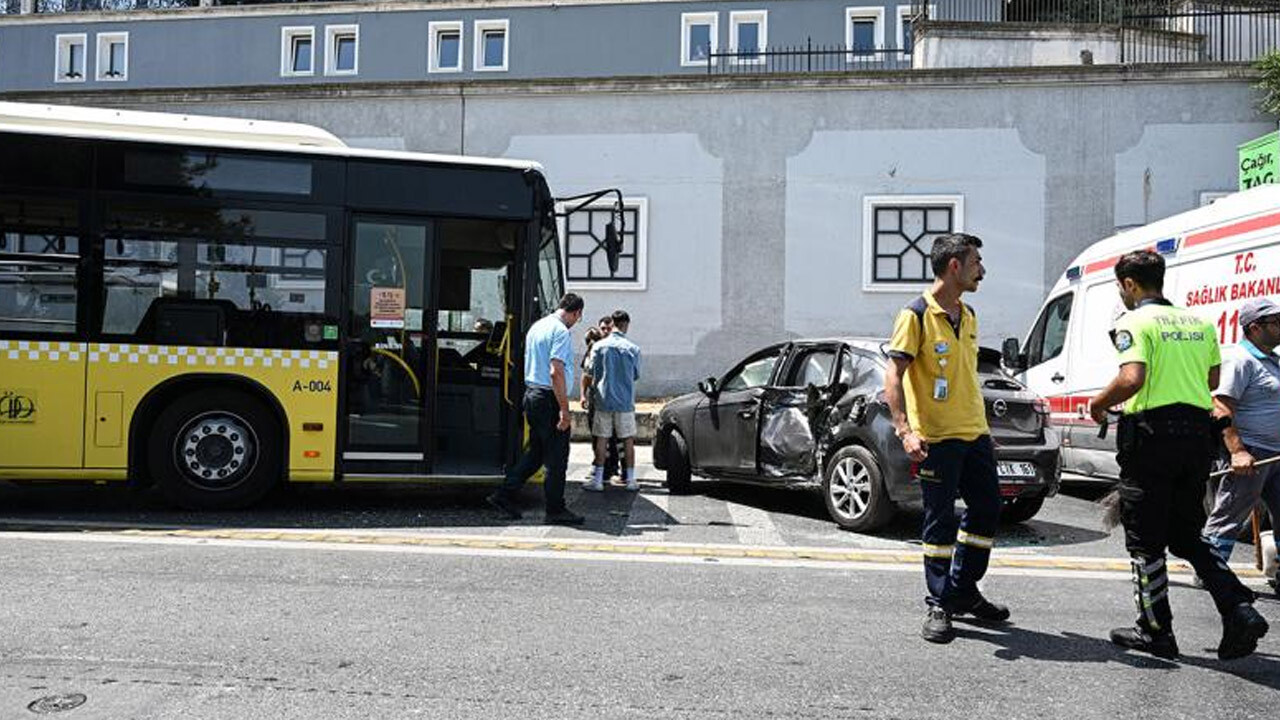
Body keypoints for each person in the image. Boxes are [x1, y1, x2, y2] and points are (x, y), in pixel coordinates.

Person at [1090, 250, 1267, 660]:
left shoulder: (1132, 322)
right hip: (1194, 441)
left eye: (1121, 286)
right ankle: (1237, 607)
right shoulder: (1199, 322)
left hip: (1151, 440)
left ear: (1130, 284)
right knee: (1186, 535)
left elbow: (1132, 377)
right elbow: (1211, 381)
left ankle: (1156, 633)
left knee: (1145, 540)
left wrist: (1099, 404)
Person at [884, 233, 1009, 645]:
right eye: (976, 263)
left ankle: (964, 589)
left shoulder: (969, 314)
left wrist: (985, 431)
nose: (982, 271)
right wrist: (905, 429)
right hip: (936, 438)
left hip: (974, 434)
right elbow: (894, 376)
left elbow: (964, 380)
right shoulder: (916, 314)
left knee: (987, 509)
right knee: (939, 520)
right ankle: (939, 602)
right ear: (954, 266)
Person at [486, 293, 587, 525]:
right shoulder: (560, 332)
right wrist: (564, 409)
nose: (576, 322)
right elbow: (556, 371)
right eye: (578, 318)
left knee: (536, 454)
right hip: (548, 398)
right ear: (576, 313)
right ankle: (555, 509)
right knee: (557, 458)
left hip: (532, 395)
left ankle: (503, 495)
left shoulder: (537, 327)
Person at [1202, 297, 1280, 591]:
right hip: (1251, 453)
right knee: (1230, 515)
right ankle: (1210, 572)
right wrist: (1237, 451)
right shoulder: (1240, 360)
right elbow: (1221, 406)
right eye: (1276, 322)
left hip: (1275, 455)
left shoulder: (1272, 361)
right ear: (1254, 328)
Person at [584, 309, 643, 492]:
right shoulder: (633, 349)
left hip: (603, 400)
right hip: (625, 402)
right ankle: (631, 480)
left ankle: (599, 480)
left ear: (612, 323)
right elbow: (636, 374)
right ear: (626, 324)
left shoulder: (598, 346)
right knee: (628, 440)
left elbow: (590, 370)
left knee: (601, 440)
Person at [581, 327, 621, 482]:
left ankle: (607, 468)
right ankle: (601, 467)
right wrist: (583, 395)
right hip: (595, 397)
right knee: (597, 434)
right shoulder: (591, 352)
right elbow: (585, 375)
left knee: (606, 435)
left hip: (606, 398)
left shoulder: (605, 352)